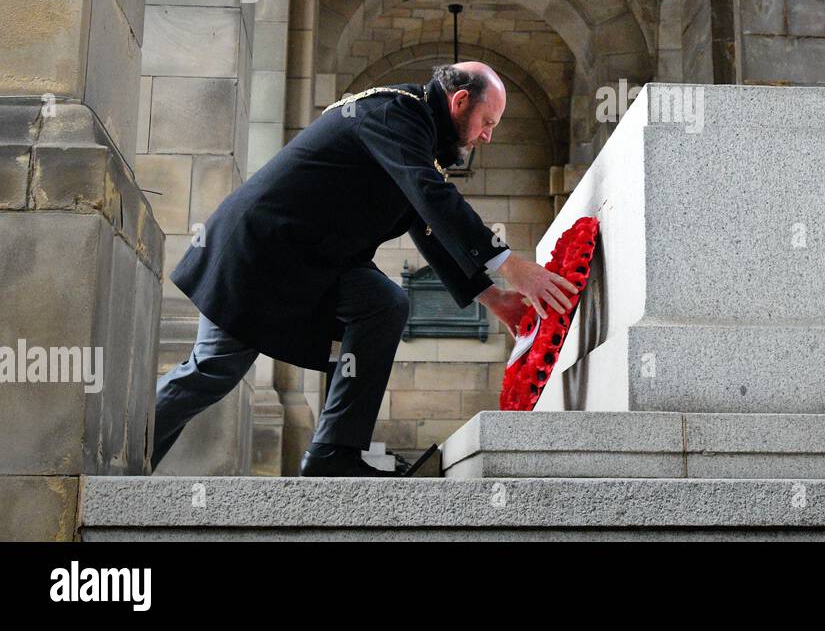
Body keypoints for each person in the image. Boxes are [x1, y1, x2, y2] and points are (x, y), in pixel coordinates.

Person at [152, 61, 577, 477]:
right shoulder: (396, 111)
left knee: (382, 302)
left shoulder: (415, 134)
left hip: (308, 263)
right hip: (261, 254)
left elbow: (426, 224)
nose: (488, 135)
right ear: (460, 100)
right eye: (488, 121)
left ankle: (333, 453)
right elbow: (431, 196)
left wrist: (493, 298)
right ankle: (119, 452)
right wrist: (511, 264)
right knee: (211, 370)